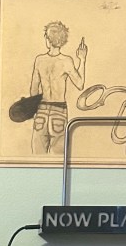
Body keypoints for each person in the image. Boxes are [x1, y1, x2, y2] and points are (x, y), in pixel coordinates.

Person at [28, 22, 87, 156]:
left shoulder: (39, 60)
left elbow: (33, 90)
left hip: (41, 110)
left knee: (37, 158)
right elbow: (80, 84)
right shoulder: (66, 61)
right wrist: (82, 60)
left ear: (48, 40)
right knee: (58, 160)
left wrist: (33, 110)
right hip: (59, 111)